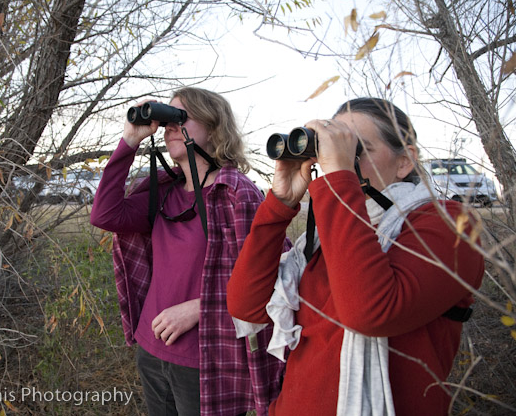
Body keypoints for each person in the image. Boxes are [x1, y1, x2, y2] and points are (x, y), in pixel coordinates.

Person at [226, 97, 485, 415]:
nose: (340, 161)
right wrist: (280, 203)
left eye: (354, 150)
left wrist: (338, 180)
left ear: (405, 162)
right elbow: (246, 307)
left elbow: (371, 313)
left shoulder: (448, 224)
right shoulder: (325, 233)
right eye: (333, 149)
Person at [90, 87, 286, 416]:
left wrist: (199, 308)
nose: (169, 128)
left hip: (206, 358)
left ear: (213, 128)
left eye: (180, 118)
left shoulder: (237, 193)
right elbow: (105, 215)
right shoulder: (163, 189)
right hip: (151, 351)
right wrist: (130, 140)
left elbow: (273, 276)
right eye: (167, 120)